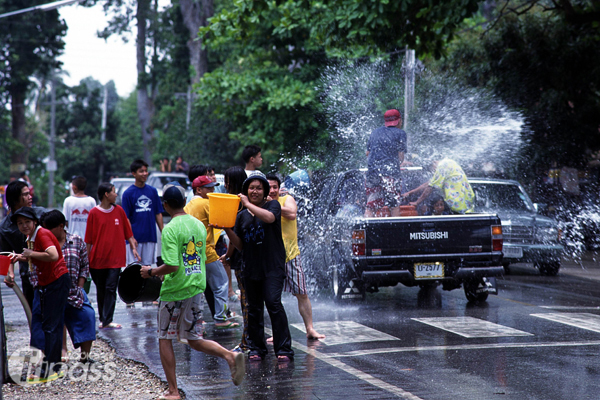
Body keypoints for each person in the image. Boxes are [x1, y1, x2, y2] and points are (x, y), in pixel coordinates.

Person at [139, 183, 245, 399]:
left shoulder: (170, 229)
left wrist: (151, 271)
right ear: (184, 202)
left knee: (164, 337)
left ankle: (173, 391)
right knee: (193, 338)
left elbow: (172, 266)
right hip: (196, 286)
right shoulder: (197, 224)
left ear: (165, 205)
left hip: (174, 290)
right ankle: (229, 355)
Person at [217, 173, 294, 362]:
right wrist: (226, 228)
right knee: (254, 309)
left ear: (265, 191)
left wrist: (247, 204)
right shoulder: (241, 216)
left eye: (259, 188)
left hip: (272, 266)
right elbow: (241, 245)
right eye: (251, 188)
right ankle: (257, 349)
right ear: (246, 190)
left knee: (273, 303)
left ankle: (283, 349)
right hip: (251, 267)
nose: (255, 191)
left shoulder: (272, 206)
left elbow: (269, 219)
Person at [9, 207, 70, 383]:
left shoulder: (41, 234)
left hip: (56, 281)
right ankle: (53, 366)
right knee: (48, 324)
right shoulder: (31, 237)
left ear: (34, 222)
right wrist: (21, 257)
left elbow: (53, 255)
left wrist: (29, 254)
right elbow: (37, 257)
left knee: (51, 325)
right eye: (20, 223)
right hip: (47, 282)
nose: (24, 226)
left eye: (27, 222)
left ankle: (51, 368)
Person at [30, 210, 96, 364]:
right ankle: (50, 356)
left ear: (61, 226)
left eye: (49, 228)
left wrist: (80, 286)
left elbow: (85, 266)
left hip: (73, 291)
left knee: (88, 315)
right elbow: (32, 269)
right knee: (44, 320)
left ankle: (85, 356)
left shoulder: (76, 241)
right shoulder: (41, 244)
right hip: (49, 291)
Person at [266, 174, 325, 340]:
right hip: (270, 256)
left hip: (291, 255)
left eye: (275, 187)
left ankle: (310, 328)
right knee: (272, 298)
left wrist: (270, 205)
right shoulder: (261, 205)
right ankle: (277, 332)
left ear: (279, 188)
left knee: (302, 293)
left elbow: (291, 214)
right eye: (269, 187)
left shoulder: (287, 200)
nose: (272, 190)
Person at [184, 176, 238, 329]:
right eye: (208, 188)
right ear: (198, 189)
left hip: (192, 252)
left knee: (197, 287)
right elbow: (221, 220)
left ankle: (196, 321)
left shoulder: (188, 206)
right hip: (207, 250)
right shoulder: (206, 203)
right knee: (221, 283)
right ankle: (221, 318)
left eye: (212, 187)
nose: (212, 190)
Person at [85, 183, 140, 329]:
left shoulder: (119, 211)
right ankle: (104, 319)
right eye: (114, 192)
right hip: (97, 259)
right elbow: (89, 239)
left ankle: (108, 320)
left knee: (110, 288)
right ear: (106, 195)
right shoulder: (93, 213)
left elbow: (128, 232)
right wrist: (86, 258)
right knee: (101, 288)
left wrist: (133, 248)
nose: (116, 195)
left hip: (115, 259)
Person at [220, 166, 251, 353]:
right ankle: (250, 341)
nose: (224, 184)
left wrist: (229, 256)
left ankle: (247, 342)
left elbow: (233, 234)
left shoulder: (236, 202)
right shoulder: (248, 201)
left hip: (242, 257)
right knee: (251, 301)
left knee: (246, 302)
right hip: (249, 255)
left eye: (227, 181)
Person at [121, 159, 164, 273]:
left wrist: (163, 232)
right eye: (141, 171)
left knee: (147, 268)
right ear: (134, 173)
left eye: (146, 171)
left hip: (150, 237)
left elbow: (158, 213)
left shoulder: (153, 191)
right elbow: (126, 218)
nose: (145, 173)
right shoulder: (128, 193)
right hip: (135, 238)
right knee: (134, 269)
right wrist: (131, 238)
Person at [1, 180, 39, 309]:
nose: (30, 197)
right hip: (28, 276)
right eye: (26, 194)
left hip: (51, 273)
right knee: (34, 315)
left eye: (29, 193)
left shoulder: (42, 215)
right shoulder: (5, 227)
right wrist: (9, 274)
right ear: (15, 199)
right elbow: (4, 255)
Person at [365, 109, 408, 217]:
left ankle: (367, 230)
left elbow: (367, 153)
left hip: (373, 173)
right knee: (393, 205)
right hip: (390, 174)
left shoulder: (374, 132)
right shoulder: (400, 133)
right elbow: (400, 158)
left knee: (371, 205)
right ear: (399, 121)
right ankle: (396, 232)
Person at [404, 157, 475, 214]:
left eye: (432, 170)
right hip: (466, 201)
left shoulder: (441, 167)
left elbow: (430, 187)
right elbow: (429, 183)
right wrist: (410, 193)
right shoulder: (450, 162)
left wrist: (417, 202)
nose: (434, 172)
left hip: (456, 204)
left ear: (434, 164)